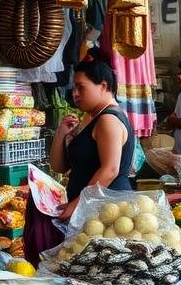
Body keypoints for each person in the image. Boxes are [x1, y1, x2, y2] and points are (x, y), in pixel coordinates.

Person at [50, 52, 135, 221]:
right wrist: (61, 134)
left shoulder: (108, 119)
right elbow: (58, 167)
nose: (75, 94)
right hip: (93, 211)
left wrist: (76, 206)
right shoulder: (92, 118)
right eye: (74, 88)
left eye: (81, 87)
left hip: (108, 213)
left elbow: (110, 170)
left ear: (103, 86)